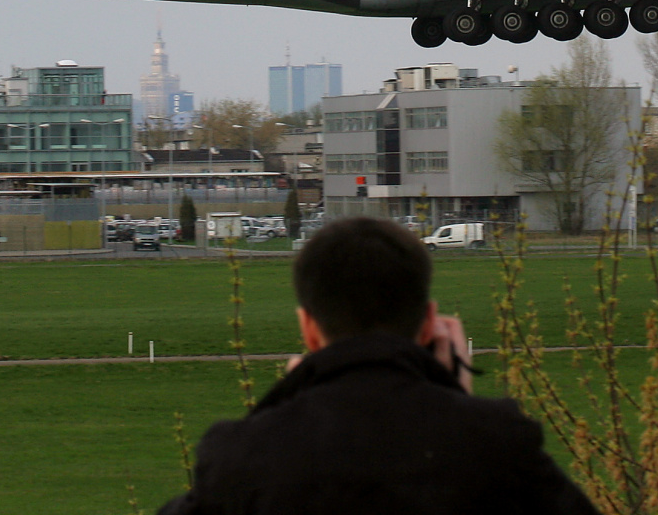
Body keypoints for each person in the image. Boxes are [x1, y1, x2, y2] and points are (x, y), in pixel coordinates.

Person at [158, 216, 599, 514]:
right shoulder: (498, 443)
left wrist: (285, 406)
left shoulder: (242, 455)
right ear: (429, 324)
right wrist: (455, 403)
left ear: (309, 329)